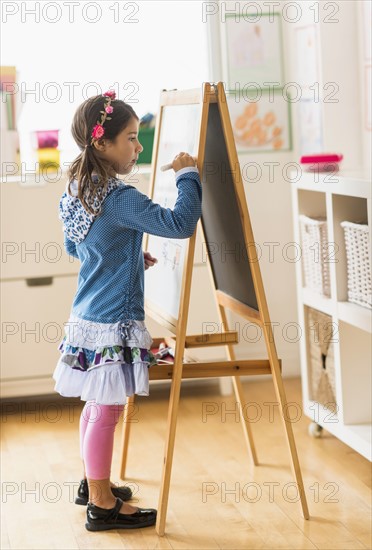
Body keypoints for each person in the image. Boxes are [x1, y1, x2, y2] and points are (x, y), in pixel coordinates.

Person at [52, 90, 202, 531]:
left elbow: (77, 246)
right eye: (132, 138)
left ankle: (91, 482)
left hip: (88, 314)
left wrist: (127, 256)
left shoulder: (80, 187)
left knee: (96, 405)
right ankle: (101, 502)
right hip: (111, 320)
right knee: (108, 408)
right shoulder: (118, 196)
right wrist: (189, 175)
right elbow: (179, 224)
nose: (139, 148)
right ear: (103, 143)